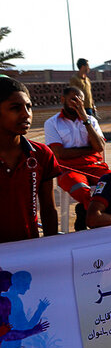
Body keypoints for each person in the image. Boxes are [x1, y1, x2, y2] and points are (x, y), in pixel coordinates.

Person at [0, 77, 59, 243]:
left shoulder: (41, 154)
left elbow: (48, 208)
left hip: (28, 253)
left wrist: (51, 248)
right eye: (15, 108)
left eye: (29, 107)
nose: (26, 114)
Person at [43, 86, 110, 230]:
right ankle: (94, 221)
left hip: (96, 166)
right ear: (63, 100)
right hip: (69, 169)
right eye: (73, 100)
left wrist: (85, 120)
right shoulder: (52, 123)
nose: (78, 104)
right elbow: (60, 153)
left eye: (81, 100)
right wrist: (89, 150)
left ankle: (85, 214)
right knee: (83, 191)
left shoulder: (90, 120)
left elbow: (99, 147)